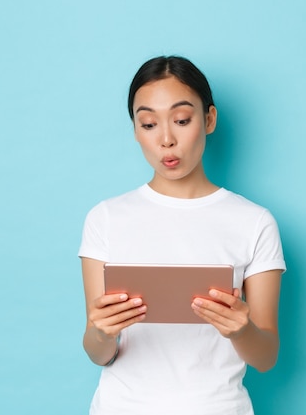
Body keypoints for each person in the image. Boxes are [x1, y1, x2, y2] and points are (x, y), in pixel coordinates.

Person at [78, 55, 286, 415]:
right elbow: (99, 353)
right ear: (135, 130)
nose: (166, 140)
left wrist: (240, 329)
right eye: (148, 123)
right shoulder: (106, 218)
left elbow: (266, 356)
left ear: (208, 119)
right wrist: (102, 332)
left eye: (181, 120)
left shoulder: (254, 222)